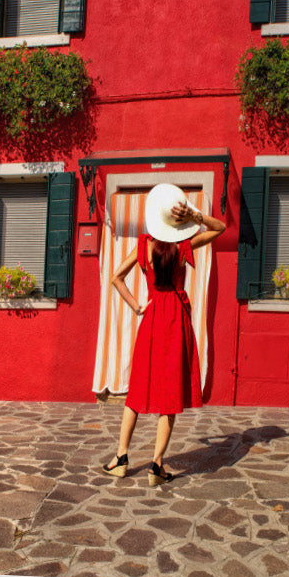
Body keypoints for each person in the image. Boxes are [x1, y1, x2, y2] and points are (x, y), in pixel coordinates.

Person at [104, 183, 226, 485]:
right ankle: (156, 467)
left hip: (153, 314)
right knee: (170, 393)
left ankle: (121, 457)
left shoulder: (144, 245)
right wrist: (196, 216)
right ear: (178, 222)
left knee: (138, 388)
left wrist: (136, 306)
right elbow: (220, 228)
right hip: (176, 317)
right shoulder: (183, 246)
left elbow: (116, 277)